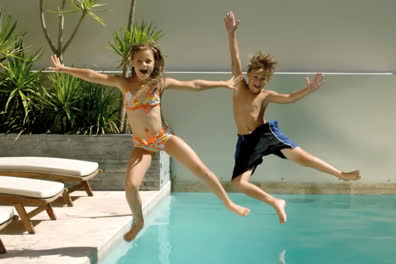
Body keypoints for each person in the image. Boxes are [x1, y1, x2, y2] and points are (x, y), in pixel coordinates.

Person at [48, 43, 250, 242]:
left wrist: (223, 84)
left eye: (148, 60)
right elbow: (93, 75)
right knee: (131, 185)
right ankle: (139, 222)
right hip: (141, 144)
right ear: (132, 63)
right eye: (139, 61)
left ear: (155, 63)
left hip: (164, 137)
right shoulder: (124, 84)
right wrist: (64, 69)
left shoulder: (159, 84)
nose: (144, 64)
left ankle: (228, 202)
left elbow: (193, 85)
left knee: (201, 169)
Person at [223, 11, 360, 224]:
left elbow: (288, 98)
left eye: (264, 79)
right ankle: (276, 202)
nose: (259, 81)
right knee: (238, 183)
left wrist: (308, 90)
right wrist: (231, 33)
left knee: (302, 158)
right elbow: (235, 59)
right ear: (248, 74)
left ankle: (341, 174)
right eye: (256, 76)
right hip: (245, 141)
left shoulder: (265, 95)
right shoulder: (238, 85)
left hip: (263, 135)